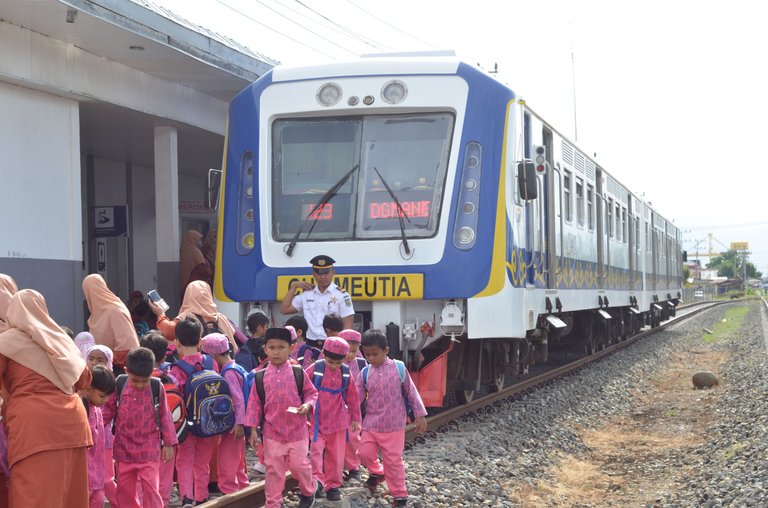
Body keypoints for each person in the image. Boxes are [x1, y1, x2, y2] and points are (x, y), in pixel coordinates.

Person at [0, 289, 93, 507]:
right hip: (73, 424)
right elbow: (84, 379)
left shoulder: (6, 342)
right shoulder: (59, 338)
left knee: (33, 496)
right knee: (71, 497)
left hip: (34, 427)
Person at [244, 328, 319, 508]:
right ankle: (273, 503)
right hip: (272, 433)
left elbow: (312, 394)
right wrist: (252, 429)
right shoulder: (260, 376)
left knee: (300, 466)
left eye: (281, 347)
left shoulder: (297, 372)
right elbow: (254, 404)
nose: (276, 352)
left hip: (297, 431)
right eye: (272, 347)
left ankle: (309, 491)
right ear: (265, 349)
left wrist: (308, 405)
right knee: (274, 471)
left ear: (291, 348)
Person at [358, 329, 428, 508]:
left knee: (393, 461)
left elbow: (411, 392)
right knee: (364, 454)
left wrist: (420, 414)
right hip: (371, 424)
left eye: (375, 354)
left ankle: (399, 495)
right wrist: (347, 414)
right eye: (367, 354)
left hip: (394, 426)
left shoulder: (398, 368)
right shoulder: (365, 373)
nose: (371, 358)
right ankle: (378, 471)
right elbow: (356, 398)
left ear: (386, 350)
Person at [103, 347, 177, 508]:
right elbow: (107, 411)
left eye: (145, 380)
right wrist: (93, 431)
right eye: (136, 380)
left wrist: (169, 444)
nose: (140, 384)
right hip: (123, 450)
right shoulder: (120, 384)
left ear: (153, 372)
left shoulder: (157, 386)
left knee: (151, 489)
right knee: (125, 490)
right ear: (126, 370)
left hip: (149, 450)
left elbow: (165, 416)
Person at [305, 337, 361, 502]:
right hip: (316, 422)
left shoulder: (345, 372)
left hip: (338, 423)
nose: (334, 366)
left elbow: (352, 396)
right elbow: (303, 388)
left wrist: (355, 417)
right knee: (315, 452)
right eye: (331, 362)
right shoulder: (315, 369)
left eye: (338, 362)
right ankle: (317, 481)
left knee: (336, 456)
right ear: (323, 354)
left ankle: (333, 486)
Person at [168, 318, 216, 506]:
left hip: (187, 425)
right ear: (200, 341)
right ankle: (202, 496)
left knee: (185, 461)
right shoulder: (211, 363)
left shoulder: (176, 369)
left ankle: (187, 497)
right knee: (203, 461)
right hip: (208, 422)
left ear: (177, 342)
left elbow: (176, 397)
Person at [201, 334, 249, 494]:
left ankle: (229, 492)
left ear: (212, 356)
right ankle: (244, 490)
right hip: (239, 425)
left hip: (234, 426)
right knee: (238, 462)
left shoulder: (228, 374)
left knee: (226, 461)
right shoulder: (237, 367)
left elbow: (238, 400)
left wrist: (239, 424)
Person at [140, 331, 180, 507]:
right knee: (164, 478)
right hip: (165, 440)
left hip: (140, 440)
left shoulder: (134, 380)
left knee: (142, 480)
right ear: (164, 356)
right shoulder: (169, 378)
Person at [152, 280, 238, 354]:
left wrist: (160, 315)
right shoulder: (220, 317)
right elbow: (234, 339)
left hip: (199, 366)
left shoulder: (187, 316)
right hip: (222, 367)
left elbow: (169, 331)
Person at [279, 255, 355, 340]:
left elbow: (347, 328)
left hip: (331, 344)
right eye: (319, 273)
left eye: (326, 273)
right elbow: (284, 309)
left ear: (333, 272)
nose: (323, 277)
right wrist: (294, 286)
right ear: (313, 274)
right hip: (310, 345)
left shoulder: (342, 295)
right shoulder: (307, 295)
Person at [82, 273, 140, 371]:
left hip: (117, 369)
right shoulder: (95, 315)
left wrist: (105, 359)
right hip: (100, 369)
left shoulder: (115, 311)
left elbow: (128, 348)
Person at [85, 344, 119, 506]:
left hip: (96, 472)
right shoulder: (83, 406)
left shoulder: (96, 407)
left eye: (100, 360)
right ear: (88, 389)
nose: (105, 400)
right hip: (85, 475)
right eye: (90, 359)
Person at [339, 329, 367, 480]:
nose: (350, 355)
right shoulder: (333, 362)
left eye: (354, 351)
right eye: (347, 351)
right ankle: (333, 467)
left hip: (354, 410)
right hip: (333, 409)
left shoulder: (362, 363)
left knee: (353, 438)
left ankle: (353, 467)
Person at [179, 230, 213, 295]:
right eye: (198, 240)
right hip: (195, 283)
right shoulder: (195, 252)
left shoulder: (182, 250)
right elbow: (202, 269)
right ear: (192, 240)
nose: (200, 242)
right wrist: (212, 273)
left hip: (184, 283)